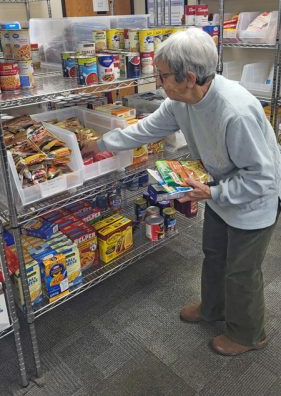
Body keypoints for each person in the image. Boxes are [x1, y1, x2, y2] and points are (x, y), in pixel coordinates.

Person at [82, 27, 281, 356]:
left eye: (162, 76)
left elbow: (263, 179)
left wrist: (214, 193)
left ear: (188, 77)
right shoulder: (181, 101)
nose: (158, 83)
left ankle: (249, 333)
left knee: (242, 271)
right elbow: (148, 128)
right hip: (215, 191)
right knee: (215, 256)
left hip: (252, 202)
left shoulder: (235, 112)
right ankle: (214, 308)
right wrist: (100, 143)